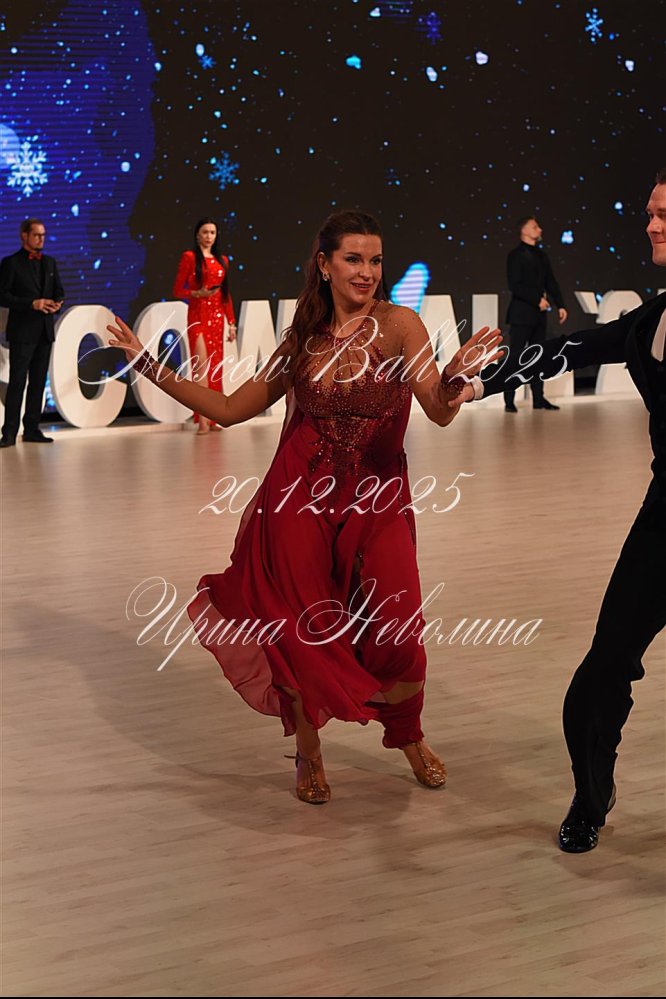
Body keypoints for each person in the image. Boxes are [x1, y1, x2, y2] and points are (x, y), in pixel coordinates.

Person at [108, 210, 501, 804]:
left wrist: (454, 379)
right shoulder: (302, 338)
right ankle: (309, 752)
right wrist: (145, 363)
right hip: (299, 498)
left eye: (375, 260)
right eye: (353, 259)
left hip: (377, 499)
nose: (366, 272)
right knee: (298, 630)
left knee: (398, 630)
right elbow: (230, 408)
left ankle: (408, 733)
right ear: (324, 264)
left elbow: (438, 412)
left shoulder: (401, 325)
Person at [450, 170, 666, 851]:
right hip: (665, 518)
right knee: (602, 670)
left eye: (663, 213)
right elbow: (569, 349)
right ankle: (591, 797)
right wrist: (480, 382)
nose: (650, 224)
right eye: (650, 211)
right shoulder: (652, 320)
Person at [0, 218, 64, 447]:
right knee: (17, 383)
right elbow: (2, 295)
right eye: (37, 235)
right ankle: (9, 432)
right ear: (24, 236)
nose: (41, 239)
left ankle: (32, 429)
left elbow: (59, 292)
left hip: (44, 331)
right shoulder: (11, 263)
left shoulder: (49, 263)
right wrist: (31, 303)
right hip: (22, 332)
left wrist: (57, 304)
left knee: (38, 383)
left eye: (43, 235)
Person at [172, 217, 237, 435]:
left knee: (215, 367)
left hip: (217, 318)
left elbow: (226, 295)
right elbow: (177, 290)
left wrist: (231, 323)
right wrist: (196, 294)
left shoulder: (222, 260)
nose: (209, 236)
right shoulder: (190, 257)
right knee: (201, 367)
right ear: (197, 235)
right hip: (197, 316)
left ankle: (214, 417)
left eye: (212, 232)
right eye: (205, 232)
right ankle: (202, 419)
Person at [503, 215, 568, 413]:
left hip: (539, 316)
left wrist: (560, 305)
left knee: (538, 356)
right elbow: (515, 285)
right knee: (516, 357)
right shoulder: (515, 256)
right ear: (524, 230)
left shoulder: (541, 256)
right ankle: (509, 400)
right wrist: (536, 299)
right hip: (521, 315)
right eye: (535, 227)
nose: (539, 230)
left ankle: (538, 399)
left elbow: (551, 282)